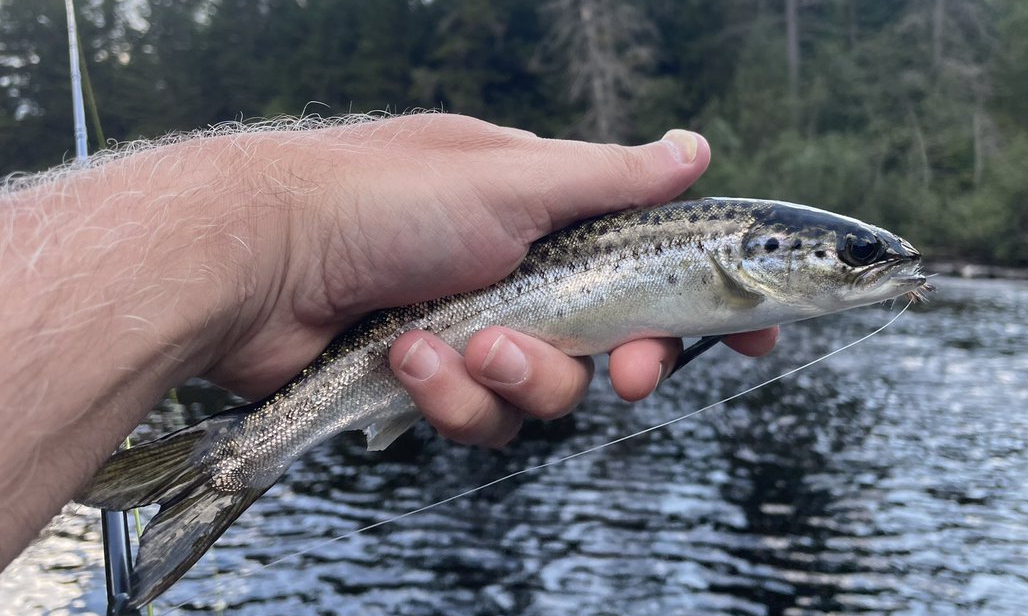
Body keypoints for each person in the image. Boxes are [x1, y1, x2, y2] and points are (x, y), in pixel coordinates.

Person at [0, 114, 778, 570]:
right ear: (760, 258)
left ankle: (227, 459)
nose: (886, 271)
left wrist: (273, 247)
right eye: (854, 261)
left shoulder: (745, 279)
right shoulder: (729, 255)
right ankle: (235, 457)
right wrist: (284, 240)